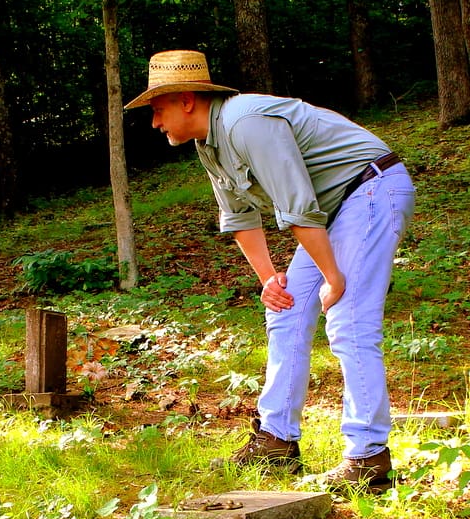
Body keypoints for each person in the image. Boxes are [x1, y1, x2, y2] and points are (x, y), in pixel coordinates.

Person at [125, 50, 415, 492]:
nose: (154, 122)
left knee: (349, 321)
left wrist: (333, 277)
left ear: (186, 101)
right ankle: (276, 441)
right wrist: (269, 280)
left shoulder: (245, 123)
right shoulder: (210, 144)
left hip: (371, 188)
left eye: (158, 109)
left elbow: (297, 205)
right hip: (334, 208)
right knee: (285, 309)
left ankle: (368, 458)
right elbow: (239, 217)